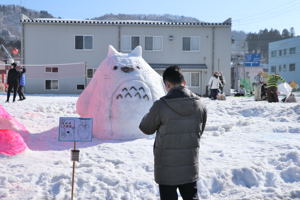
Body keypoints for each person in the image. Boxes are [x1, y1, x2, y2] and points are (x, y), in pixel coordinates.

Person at [139, 65, 207, 200]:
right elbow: (200, 131)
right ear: (184, 83)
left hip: (166, 169)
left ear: (167, 84)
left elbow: (145, 127)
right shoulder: (200, 105)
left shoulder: (161, 105)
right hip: (189, 165)